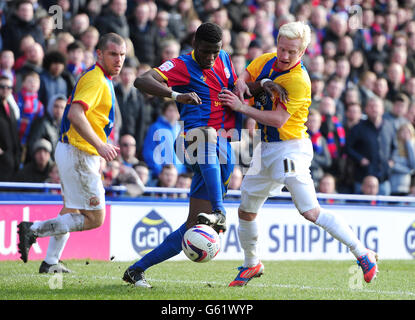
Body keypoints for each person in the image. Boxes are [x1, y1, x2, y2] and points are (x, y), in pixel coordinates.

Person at [218, 21, 378, 287]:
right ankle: (251, 264)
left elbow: (278, 119)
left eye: (291, 52)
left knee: (310, 211)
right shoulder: (267, 60)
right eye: (282, 48)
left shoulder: (299, 80)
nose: (284, 56)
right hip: (265, 148)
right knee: (246, 210)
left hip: (290, 148)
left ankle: (363, 253)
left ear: (302, 53)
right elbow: (244, 76)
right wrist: (243, 85)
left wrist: (242, 107)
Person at [123, 22, 248, 288]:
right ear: (194, 46)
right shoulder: (181, 65)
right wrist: (175, 95)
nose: (211, 58)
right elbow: (141, 80)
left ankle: (136, 270)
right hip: (196, 139)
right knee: (206, 136)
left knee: (192, 227)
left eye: (215, 52)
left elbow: (233, 89)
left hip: (224, 148)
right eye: (205, 52)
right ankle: (219, 210)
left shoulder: (223, 58)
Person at [17, 33, 126, 273]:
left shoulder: (102, 78)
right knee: (95, 219)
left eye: (122, 55)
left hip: (76, 151)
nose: (119, 60)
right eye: (113, 54)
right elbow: (75, 114)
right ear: (99, 54)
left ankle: (50, 262)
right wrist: (99, 146)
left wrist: (97, 151)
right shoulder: (96, 79)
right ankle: (32, 230)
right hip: (78, 153)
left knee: (72, 210)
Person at [0, 75, 21, 182]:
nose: (5, 89)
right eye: (2, 87)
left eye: (9, 87)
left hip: (13, 161)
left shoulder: (11, 107)